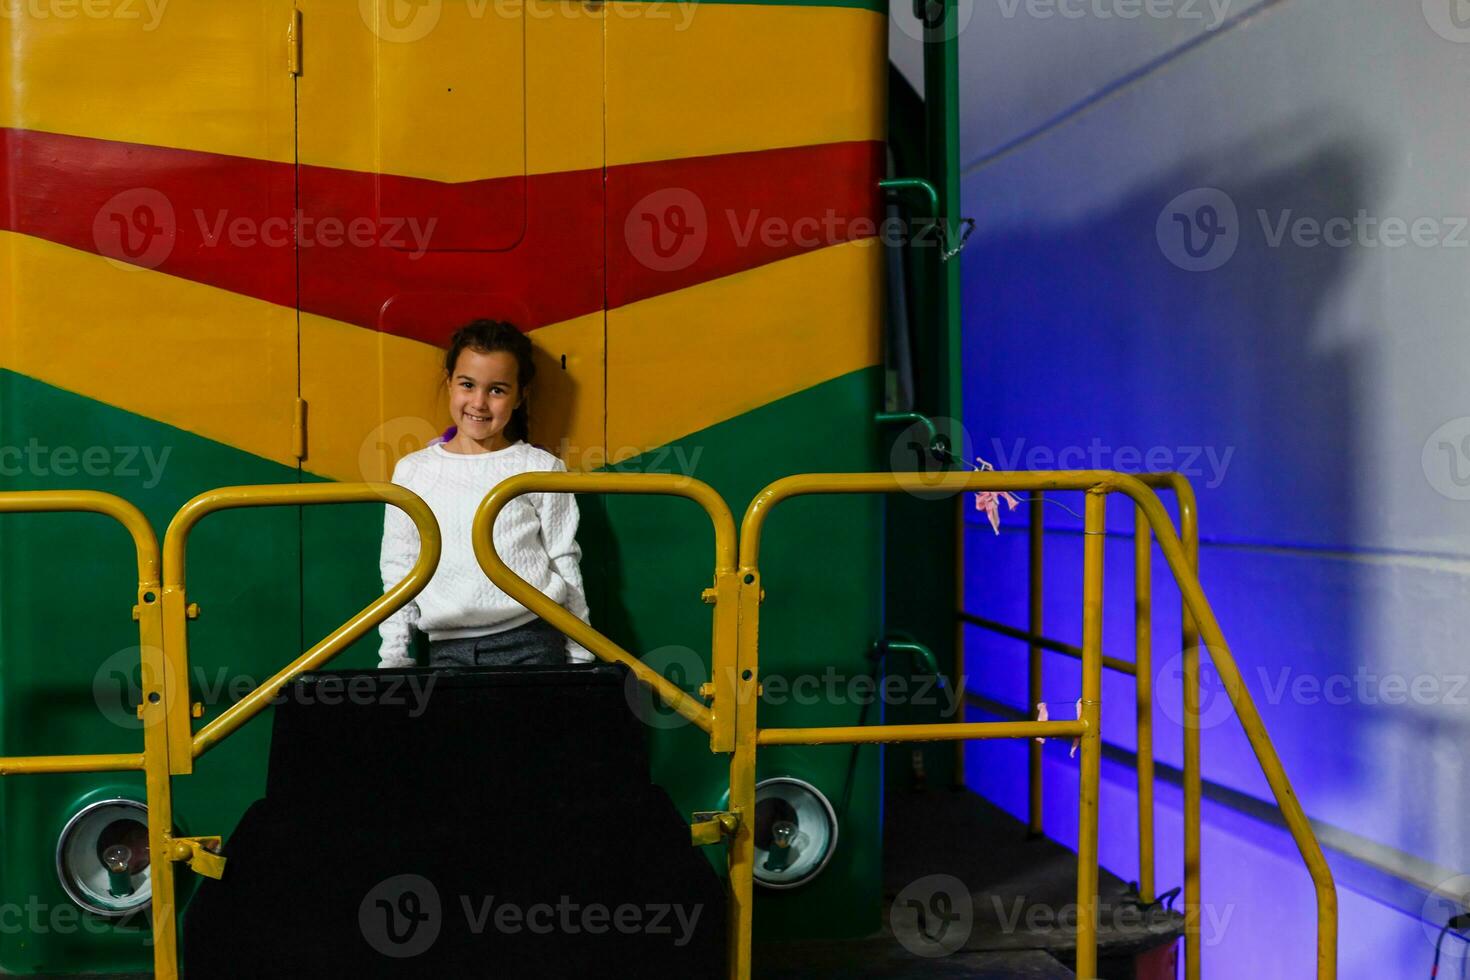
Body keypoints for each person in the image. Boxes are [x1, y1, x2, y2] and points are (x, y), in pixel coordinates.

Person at [377, 319, 594, 668]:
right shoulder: (413, 471)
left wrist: (581, 652)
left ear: (520, 395)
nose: (479, 402)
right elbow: (399, 568)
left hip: (532, 640)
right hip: (447, 648)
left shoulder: (541, 468)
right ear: (450, 384)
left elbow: (563, 559)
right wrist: (394, 654)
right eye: (467, 384)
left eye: (497, 390)